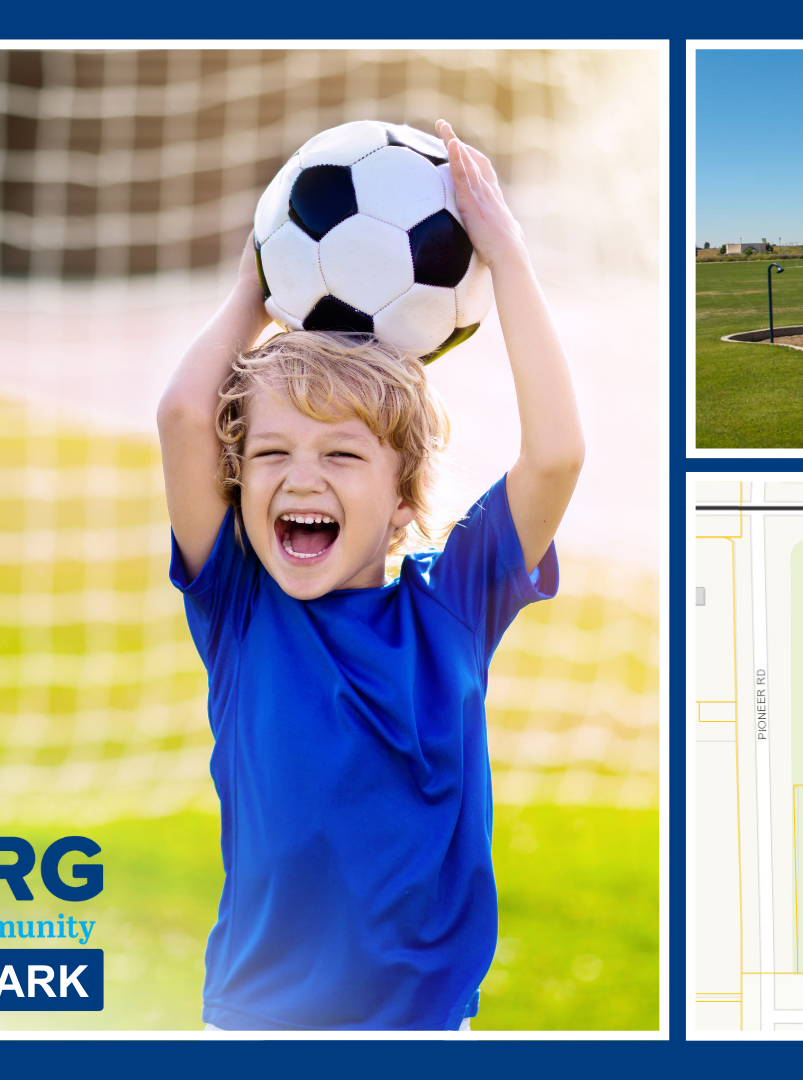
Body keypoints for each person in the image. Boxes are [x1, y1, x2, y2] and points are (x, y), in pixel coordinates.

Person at [155, 120, 584, 1030]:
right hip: (258, 1027)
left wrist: (506, 259)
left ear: (402, 500)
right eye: (271, 451)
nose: (301, 476)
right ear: (241, 485)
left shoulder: (454, 605)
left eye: (342, 455)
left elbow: (556, 456)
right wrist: (251, 292)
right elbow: (187, 416)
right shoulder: (240, 607)